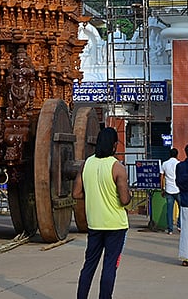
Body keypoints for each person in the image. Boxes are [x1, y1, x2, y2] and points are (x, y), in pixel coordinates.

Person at [72, 127, 131, 299]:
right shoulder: (117, 168)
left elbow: (76, 194)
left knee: (89, 265)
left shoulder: (86, 164)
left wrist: (93, 194)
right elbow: (124, 200)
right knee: (109, 266)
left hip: (94, 223)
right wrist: (130, 194)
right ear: (114, 145)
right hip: (115, 224)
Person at [161, 148, 181, 235]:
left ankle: (170, 229)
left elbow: (162, 177)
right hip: (178, 188)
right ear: (177, 155)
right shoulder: (179, 164)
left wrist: (162, 188)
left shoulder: (165, 164)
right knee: (182, 208)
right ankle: (179, 225)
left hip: (168, 189)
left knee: (169, 210)